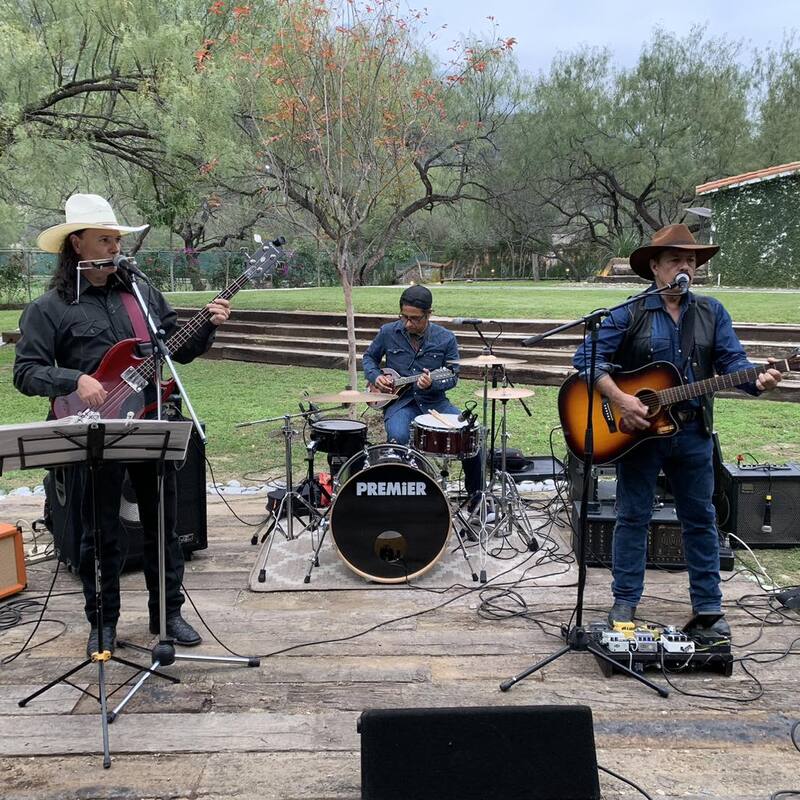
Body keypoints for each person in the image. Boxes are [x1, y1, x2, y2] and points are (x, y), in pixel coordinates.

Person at [14, 193, 231, 657]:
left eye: (116, 240)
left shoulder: (141, 295)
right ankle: (103, 623)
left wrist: (208, 326)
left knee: (162, 525)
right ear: (77, 244)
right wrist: (75, 379)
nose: (115, 248)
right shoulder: (49, 308)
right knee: (99, 533)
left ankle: (167, 614)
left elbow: (176, 347)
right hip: (90, 430)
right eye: (105, 240)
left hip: (149, 420)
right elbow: (26, 372)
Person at [572, 223, 782, 639]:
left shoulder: (711, 312)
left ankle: (708, 608)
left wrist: (757, 380)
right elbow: (586, 359)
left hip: (692, 433)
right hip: (638, 434)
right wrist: (621, 399)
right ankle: (624, 601)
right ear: (655, 267)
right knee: (632, 516)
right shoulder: (630, 312)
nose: (685, 267)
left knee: (701, 518)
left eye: (691, 260)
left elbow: (733, 363)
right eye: (675, 260)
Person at [362, 285, 482, 500]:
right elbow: (369, 358)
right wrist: (375, 377)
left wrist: (432, 384)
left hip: (435, 403)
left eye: (415, 319)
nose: (408, 323)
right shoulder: (388, 332)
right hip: (400, 403)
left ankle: (476, 496)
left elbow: (452, 376)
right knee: (398, 437)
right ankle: (407, 497)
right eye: (404, 317)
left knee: (470, 435)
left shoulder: (446, 338)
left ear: (429, 314)